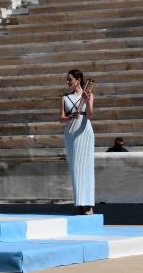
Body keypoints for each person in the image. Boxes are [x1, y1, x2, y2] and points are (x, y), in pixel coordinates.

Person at [59, 69, 94, 215]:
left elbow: (91, 115)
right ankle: (80, 204)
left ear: (78, 80)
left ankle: (89, 205)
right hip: (71, 132)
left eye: (70, 79)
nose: (68, 82)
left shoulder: (89, 95)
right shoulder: (65, 98)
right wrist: (70, 117)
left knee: (87, 168)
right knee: (75, 169)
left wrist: (86, 101)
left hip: (85, 131)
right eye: (67, 79)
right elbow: (61, 118)